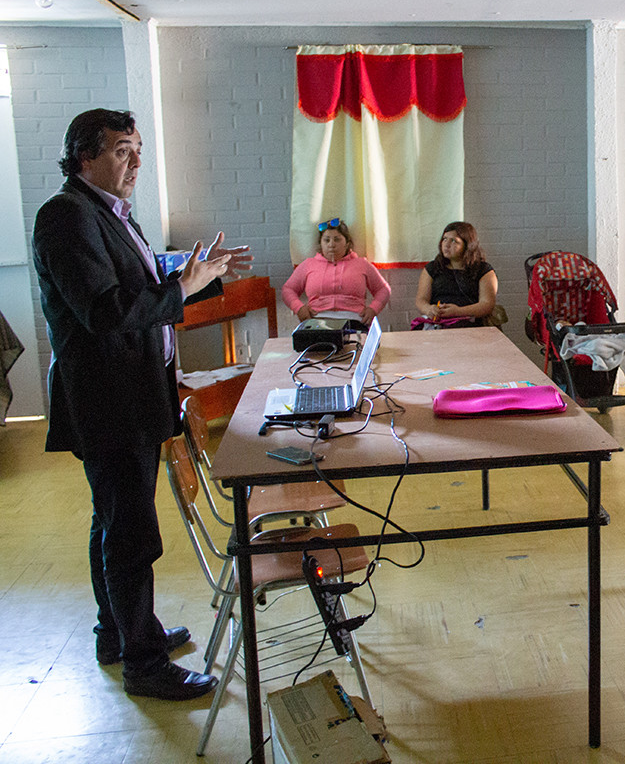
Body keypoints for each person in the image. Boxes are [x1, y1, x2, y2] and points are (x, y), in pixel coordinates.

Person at [31, 109, 252, 701]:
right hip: (108, 401)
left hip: (130, 394)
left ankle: (119, 632)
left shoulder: (107, 213)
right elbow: (104, 311)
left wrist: (193, 273)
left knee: (113, 519)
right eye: (123, 150)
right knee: (129, 532)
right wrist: (182, 285)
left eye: (138, 150)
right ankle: (144, 663)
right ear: (84, 156)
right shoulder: (65, 217)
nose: (136, 163)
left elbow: (134, 281)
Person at [282, 218, 391, 327]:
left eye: (337, 239)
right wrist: (299, 308)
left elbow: (383, 289)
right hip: (317, 321)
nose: (331, 244)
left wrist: (373, 309)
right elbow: (288, 289)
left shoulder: (362, 264)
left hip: (354, 321)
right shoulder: (308, 264)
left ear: (347, 243)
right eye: (326, 240)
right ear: (321, 243)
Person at [414, 221, 499, 327]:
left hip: (471, 324)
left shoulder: (483, 270)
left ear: (467, 245)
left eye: (454, 241)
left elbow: (487, 305)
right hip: (438, 323)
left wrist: (458, 311)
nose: (446, 245)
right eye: (444, 239)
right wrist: (429, 309)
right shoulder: (432, 268)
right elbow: (421, 300)